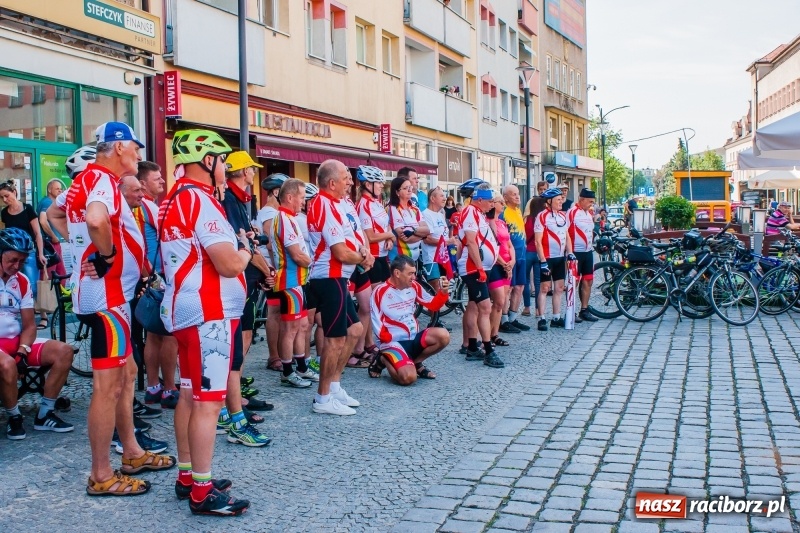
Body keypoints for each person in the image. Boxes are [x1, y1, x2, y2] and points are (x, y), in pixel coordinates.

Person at [47, 122, 174, 497]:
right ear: (118, 147)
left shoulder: (83, 181)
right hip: (107, 298)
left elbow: (53, 215)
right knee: (108, 387)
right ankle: (101, 474)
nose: (138, 154)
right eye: (135, 147)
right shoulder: (102, 178)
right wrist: (103, 255)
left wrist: (81, 250)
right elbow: (96, 219)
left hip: (106, 295)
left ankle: (132, 452)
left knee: (128, 373)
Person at [160, 129, 252, 514]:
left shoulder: (175, 197)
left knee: (189, 395)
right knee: (208, 403)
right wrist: (245, 250)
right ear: (208, 161)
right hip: (209, 314)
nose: (226, 169)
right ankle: (202, 490)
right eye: (223, 162)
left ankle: (188, 477)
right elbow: (228, 263)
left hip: (187, 310)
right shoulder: (200, 199)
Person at [306, 159, 374, 415]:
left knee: (355, 330)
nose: (350, 182)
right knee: (334, 339)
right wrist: (363, 258)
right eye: (346, 177)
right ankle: (323, 398)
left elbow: (353, 235)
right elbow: (340, 252)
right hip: (328, 277)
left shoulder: (339, 203)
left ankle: (334, 386)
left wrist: (364, 251)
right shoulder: (324, 204)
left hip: (339, 277)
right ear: (332, 182)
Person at [217, 151, 273, 444]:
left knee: (244, 340)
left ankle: (234, 401)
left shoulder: (240, 199)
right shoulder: (230, 199)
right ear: (241, 172)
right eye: (251, 169)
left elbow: (250, 242)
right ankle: (230, 407)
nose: (254, 173)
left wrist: (263, 269)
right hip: (238, 280)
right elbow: (244, 245)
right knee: (238, 345)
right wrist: (266, 270)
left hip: (247, 278)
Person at [0, 228, 75, 439]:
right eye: (12, 260)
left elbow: (29, 326)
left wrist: (22, 351)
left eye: (22, 261)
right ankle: (14, 416)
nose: (17, 266)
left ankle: (45, 414)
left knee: (64, 351)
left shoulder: (22, 281)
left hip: (15, 341)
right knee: (6, 364)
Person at [368, 255, 450, 384]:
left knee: (443, 335)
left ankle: (415, 362)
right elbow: (375, 319)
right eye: (410, 273)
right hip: (393, 343)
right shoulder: (380, 291)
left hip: (413, 338)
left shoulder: (414, 286)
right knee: (408, 378)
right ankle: (383, 359)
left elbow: (433, 304)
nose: (414, 277)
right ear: (397, 273)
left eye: (414, 273)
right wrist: (385, 341)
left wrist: (443, 292)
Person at [272, 178, 318, 388]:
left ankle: (301, 367)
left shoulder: (290, 218)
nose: (303, 201)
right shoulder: (283, 219)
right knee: (290, 328)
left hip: (298, 280)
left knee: (301, 326)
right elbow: (297, 255)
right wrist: (316, 263)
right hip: (290, 281)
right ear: (290, 197)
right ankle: (287, 371)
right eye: (301, 197)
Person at [458, 182, 503, 368]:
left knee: (474, 306)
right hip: (474, 267)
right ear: (480, 200)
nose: (492, 204)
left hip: (480, 267)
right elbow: (470, 242)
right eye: (490, 201)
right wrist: (479, 268)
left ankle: (471, 347)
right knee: (485, 308)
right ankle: (488, 350)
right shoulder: (470, 212)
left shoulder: (479, 214)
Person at [353, 166, 393, 366]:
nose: (382, 186)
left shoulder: (377, 203)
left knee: (375, 304)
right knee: (369, 305)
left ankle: (369, 343)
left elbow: (385, 226)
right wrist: (391, 234)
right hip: (372, 258)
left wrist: (389, 237)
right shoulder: (363, 205)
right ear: (368, 184)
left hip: (383, 257)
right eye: (379, 183)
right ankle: (362, 346)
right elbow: (369, 236)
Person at [0, 181, 48, 330]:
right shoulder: (4, 213)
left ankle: (43, 316)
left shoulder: (27, 209)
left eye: (6, 196)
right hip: (11, 253)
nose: (5, 200)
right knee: (11, 283)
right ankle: (22, 316)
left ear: (14, 192)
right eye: (2, 197)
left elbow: (37, 233)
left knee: (32, 286)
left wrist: (41, 253)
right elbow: (6, 234)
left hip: (28, 253)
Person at [256, 174, 288, 374]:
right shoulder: (269, 212)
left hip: (277, 268)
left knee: (281, 312)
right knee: (275, 312)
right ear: (276, 192)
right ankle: (274, 356)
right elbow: (270, 243)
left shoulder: (274, 212)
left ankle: (281, 355)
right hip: (273, 268)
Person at [534, 187, 575, 331]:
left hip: (559, 257)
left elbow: (567, 236)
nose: (561, 202)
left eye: (561, 199)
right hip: (547, 258)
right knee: (545, 288)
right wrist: (542, 261)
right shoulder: (542, 216)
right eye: (558, 200)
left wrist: (570, 252)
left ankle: (556, 317)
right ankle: (541, 318)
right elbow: (537, 241)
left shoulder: (563, 216)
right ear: (549, 201)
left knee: (559, 288)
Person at [499, 185, 530, 332]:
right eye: (514, 194)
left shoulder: (518, 211)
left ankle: (513, 318)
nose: (518, 196)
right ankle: (504, 320)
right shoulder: (503, 213)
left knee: (520, 287)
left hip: (522, 255)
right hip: (509, 257)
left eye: (518, 194)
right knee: (509, 288)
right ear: (505, 197)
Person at [486, 195, 515, 347]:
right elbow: (491, 247)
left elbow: (509, 244)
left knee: (501, 303)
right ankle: (487, 336)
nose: (503, 204)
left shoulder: (502, 223)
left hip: (507, 263)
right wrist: (504, 264)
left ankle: (495, 334)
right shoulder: (488, 223)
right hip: (496, 264)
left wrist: (512, 261)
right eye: (501, 202)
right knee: (497, 300)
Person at [568, 189, 599, 323]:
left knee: (588, 280)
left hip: (588, 252)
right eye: (590, 201)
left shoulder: (589, 213)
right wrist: (568, 252)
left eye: (593, 202)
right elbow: (565, 231)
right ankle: (571, 311)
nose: (592, 204)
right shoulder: (572, 212)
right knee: (574, 282)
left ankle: (584, 310)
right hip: (575, 252)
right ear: (581, 200)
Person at [388, 176, 429, 261]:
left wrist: (413, 230)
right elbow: (404, 237)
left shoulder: (415, 208)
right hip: (400, 257)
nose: (410, 190)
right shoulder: (393, 208)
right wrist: (422, 235)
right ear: (397, 192)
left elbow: (428, 230)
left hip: (415, 256)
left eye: (410, 187)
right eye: (405, 188)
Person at [421, 186, 450, 295]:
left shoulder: (441, 215)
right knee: (436, 291)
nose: (445, 198)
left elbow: (445, 235)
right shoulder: (426, 214)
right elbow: (427, 239)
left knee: (444, 291)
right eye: (441, 196)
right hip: (432, 258)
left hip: (443, 258)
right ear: (432, 199)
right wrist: (448, 242)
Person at [38, 177, 68, 281]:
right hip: (50, 244)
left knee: (61, 274)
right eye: (57, 189)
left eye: (61, 189)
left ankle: (59, 291)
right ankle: (51, 293)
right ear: (49, 190)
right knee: (51, 276)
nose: (60, 191)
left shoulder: (52, 202)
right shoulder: (47, 202)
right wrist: (54, 237)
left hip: (54, 243)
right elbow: (43, 221)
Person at [522, 197, 546, 317]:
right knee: (538, 282)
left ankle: (527, 307)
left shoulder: (527, 219)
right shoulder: (543, 219)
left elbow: (523, 235)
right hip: (539, 252)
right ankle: (538, 310)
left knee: (525, 280)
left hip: (528, 251)